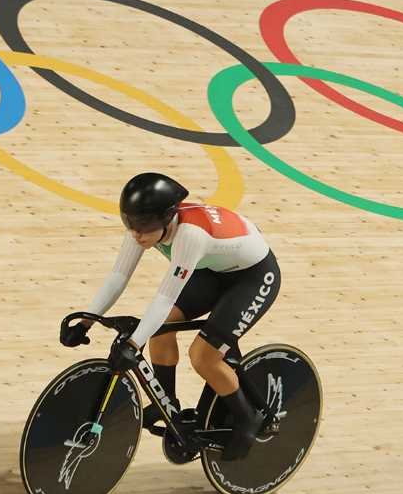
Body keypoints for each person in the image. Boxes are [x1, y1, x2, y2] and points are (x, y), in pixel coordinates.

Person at [59, 173, 282, 461]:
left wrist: (134, 344)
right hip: (215, 270)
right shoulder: (143, 228)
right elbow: (118, 277)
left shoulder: (190, 236)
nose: (137, 234)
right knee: (161, 328)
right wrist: (86, 321)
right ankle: (167, 402)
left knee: (204, 356)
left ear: (167, 219)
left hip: (253, 277)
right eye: (131, 225)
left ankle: (248, 419)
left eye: (145, 227)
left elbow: (164, 298)